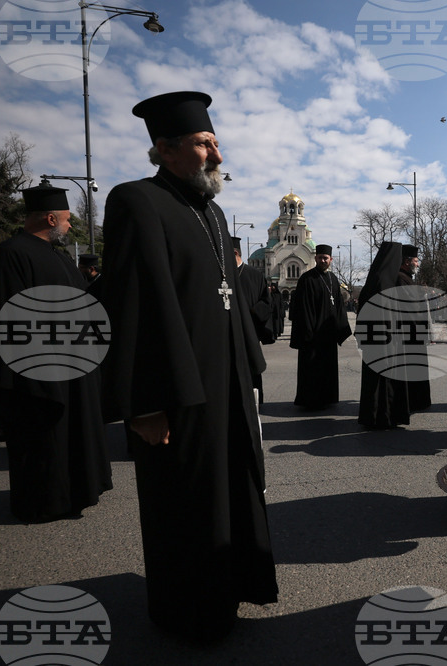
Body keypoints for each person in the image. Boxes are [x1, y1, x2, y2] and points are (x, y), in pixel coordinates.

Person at [99, 91, 277, 640]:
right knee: (186, 501)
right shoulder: (136, 201)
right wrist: (144, 403)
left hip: (225, 384)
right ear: (165, 149)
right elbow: (134, 303)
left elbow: (230, 297)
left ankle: (231, 587)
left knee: (231, 491)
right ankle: (188, 612)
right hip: (178, 392)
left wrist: (250, 370)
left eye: (217, 144)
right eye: (205, 144)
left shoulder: (212, 210)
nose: (217, 156)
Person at [0, 185, 111, 522]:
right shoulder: (12, 254)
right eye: (67, 221)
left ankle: (76, 493)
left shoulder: (58, 255)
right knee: (45, 443)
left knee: (73, 439)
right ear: (50, 217)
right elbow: (11, 318)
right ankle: (45, 503)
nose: (69, 227)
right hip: (42, 372)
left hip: (75, 366)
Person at [289, 244, 351, 409]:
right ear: (315, 258)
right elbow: (303, 309)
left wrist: (341, 328)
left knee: (328, 368)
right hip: (313, 335)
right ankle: (310, 400)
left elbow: (339, 305)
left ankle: (328, 398)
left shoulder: (333, 279)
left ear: (331, 259)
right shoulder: (307, 279)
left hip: (328, 334)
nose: (323, 260)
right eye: (320, 257)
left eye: (326, 258)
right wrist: (309, 333)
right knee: (312, 368)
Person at [357, 241, 411, 428]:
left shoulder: (375, 280)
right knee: (384, 380)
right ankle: (383, 417)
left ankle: (377, 415)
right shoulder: (384, 282)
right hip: (385, 340)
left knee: (377, 381)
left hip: (378, 340)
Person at [232, 236, 274, 404]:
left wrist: (252, 310)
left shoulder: (255, 275)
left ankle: (254, 402)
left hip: (249, 332)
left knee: (251, 371)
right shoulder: (219, 274)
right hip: (224, 333)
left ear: (235, 253)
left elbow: (266, 302)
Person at [398, 244, 431, 412]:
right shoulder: (401, 279)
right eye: (416, 261)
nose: (418, 264)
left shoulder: (408, 278)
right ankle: (414, 400)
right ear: (407, 261)